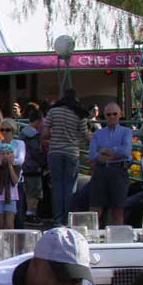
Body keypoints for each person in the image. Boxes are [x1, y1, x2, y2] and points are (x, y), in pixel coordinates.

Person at [43, 90, 91, 225]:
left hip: (55, 152)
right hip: (72, 152)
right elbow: (86, 134)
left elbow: (45, 133)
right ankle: (68, 219)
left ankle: (57, 219)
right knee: (70, 186)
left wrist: (53, 139)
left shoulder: (53, 112)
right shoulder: (79, 113)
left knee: (57, 187)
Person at [88, 102, 133, 227]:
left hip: (119, 172)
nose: (112, 116)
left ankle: (118, 242)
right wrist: (114, 153)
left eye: (115, 114)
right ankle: (93, 239)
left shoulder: (126, 132)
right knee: (95, 210)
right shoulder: (97, 134)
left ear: (120, 115)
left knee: (118, 211)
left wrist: (105, 151)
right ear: (104, 116)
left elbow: (126, 151)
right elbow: (93, 154)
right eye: (108, 114)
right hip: (101, 172)